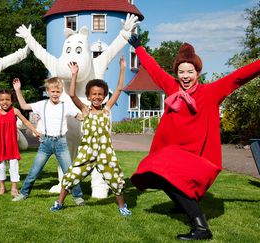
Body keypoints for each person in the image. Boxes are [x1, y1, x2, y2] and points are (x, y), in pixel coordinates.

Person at [127, 34, 260, 240]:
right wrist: (139, 48)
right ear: (177, 73)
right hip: (173, 153)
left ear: (198, 72)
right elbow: (153, 69)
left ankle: (201, 227)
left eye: (190, 71)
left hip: (197, 157)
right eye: (181, 72)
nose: (186, 76)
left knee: (167, 174)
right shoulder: (172, 87)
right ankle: (182, 206)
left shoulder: (211, 92)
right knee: (155, 172)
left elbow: (239, 76)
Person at [50, 56, 131, 215]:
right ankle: (59, 203)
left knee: (115, 178)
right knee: (71, 175)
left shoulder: (107, 109)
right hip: (87, 152)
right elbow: (72, 94)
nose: (97, 97)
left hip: (105, 152)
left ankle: (122, 207)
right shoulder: (85, 110)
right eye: (93, 94)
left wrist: (122, 69)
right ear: (88, 96)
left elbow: (120, 89)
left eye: (100, 94)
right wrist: (74, 74)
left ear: (104, 96)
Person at [11, 77, 85, 206]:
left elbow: (80, 117)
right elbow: (23, 106)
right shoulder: (41, 104)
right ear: (47, 91)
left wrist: (90, 113)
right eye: (52, 91)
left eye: (57, 92)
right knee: (35, 171)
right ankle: (23, 193)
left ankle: (78, 196)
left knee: (69, 172)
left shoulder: (66, 106)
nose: (55, 94)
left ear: (61, 92)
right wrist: (17, 90)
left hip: (61, 143)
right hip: (45, 143)